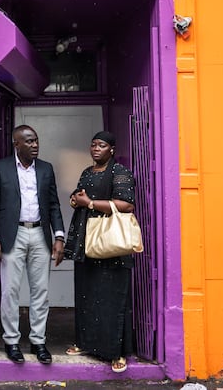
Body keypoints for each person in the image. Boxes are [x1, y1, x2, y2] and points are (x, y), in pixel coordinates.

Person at [0, 124, 66, 365]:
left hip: (40, 234)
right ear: (16, 144)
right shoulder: (0, 168)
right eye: (29, 141)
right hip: (12, 236)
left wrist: (59, 236)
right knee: (10, 291)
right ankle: (11, 341)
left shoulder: (46, 169)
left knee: (40, 291)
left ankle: (38, 341)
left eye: (36, 140)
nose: (35, 145)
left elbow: (53, 205)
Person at [64, 131, 136, 374]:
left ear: (112, 149)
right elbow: (79, 195)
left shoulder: (120, 172)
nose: (96, 149)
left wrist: (91, 204)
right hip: (86, 242)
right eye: (93, 144)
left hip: (111, 245)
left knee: (112, 299)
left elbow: (126, 204)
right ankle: (86, 344)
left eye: (102, 145)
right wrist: (76, 200)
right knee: (87, 295)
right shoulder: (87, 172)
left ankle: (116, 353)